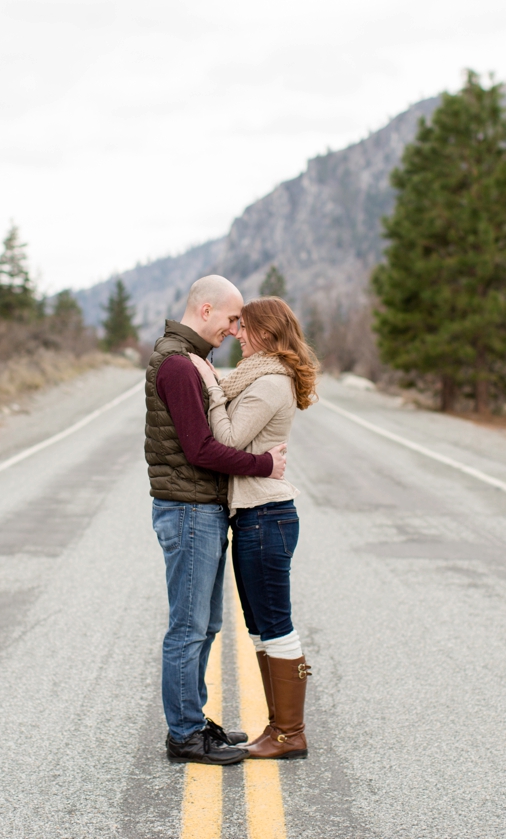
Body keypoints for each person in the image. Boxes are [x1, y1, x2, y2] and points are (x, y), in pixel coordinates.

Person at [146, 275, 289, 765]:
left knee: (204, 625)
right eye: (231, 319)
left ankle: (193, 720)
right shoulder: (179, 365)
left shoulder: (193, 363)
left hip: (199, 509)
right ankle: (184, 735)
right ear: (205, 311)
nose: (234, 329)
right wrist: (265, 465)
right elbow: (203, 449)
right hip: (187, 509)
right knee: (188, 627)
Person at [187, 295, 316, 760]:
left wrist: (214, 391)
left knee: (275, 626)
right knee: (262, 629)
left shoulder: (267, 385)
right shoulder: (258, 377)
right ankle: (279, 729)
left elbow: (227, 439)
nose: (237, 333)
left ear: (265, 332)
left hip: (266, 518)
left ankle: (290, 732)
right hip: (258, 518)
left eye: (245, 326)